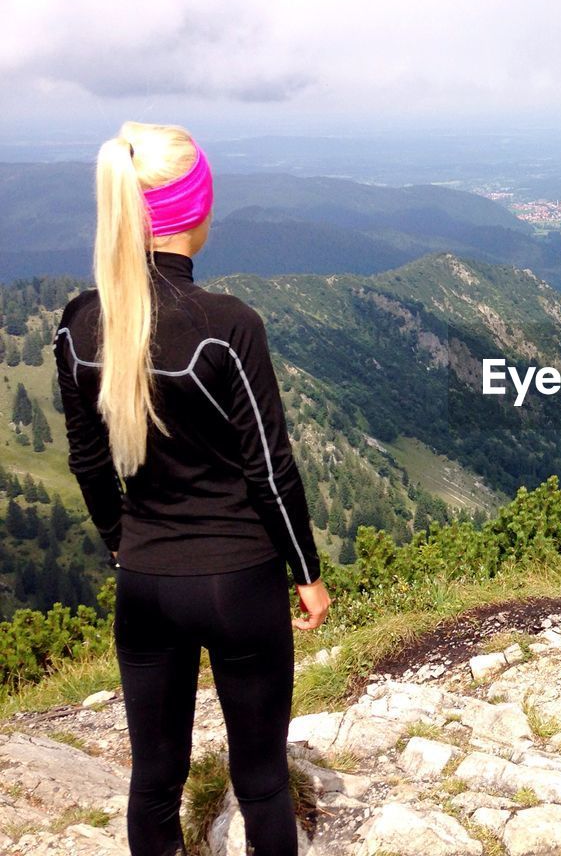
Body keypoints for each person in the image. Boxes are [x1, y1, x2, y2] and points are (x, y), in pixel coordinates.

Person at [54, 121, 331, 855]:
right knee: (262, 780)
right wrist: (306, 573)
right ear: (197, 214)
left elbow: (88, 462)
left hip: (145, 582)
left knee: (154, 780)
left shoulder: (80, 324)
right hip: (238, 581)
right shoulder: (227, 326)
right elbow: (269, 468)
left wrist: (125, 544)